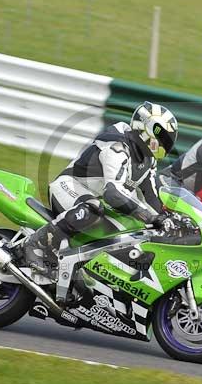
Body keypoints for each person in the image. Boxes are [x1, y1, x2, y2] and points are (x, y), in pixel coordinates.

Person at [21, 102, 179, 274]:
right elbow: (113, 193)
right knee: (94, 208)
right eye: (162, 138)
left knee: (131, 227)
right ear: (147, 128)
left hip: (97, 199)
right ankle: (35, 243)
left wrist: (168, 219)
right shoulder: (117, 146)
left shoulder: (148, 161)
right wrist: (148, 216)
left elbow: (151, 197)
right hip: (69, 187)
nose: (164, 144)